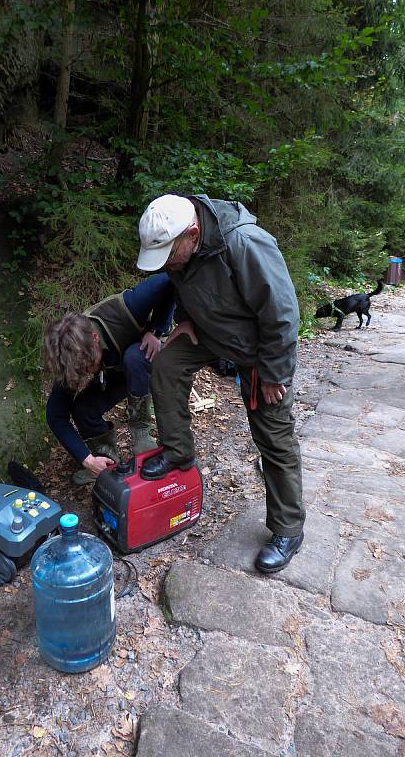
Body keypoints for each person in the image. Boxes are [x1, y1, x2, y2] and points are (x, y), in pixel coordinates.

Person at [136, 194, 304, 573]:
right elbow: (187, 284)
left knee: (273, 437)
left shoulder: (244, 243)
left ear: (193, 233)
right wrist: (186, 318)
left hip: (257, 348)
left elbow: (282, 313)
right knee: (166, 364)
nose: (166, 263)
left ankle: (288, 527)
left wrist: (274, 372)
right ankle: (178, 451)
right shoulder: (182, 244)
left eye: (169, 254)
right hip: (211, 333)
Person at [43, 274, 174, 485]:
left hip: (148, 359)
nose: (85, 371)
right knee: (83, 408)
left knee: (134, 356)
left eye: (87, 364)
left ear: (95, 338)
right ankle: (106, 460)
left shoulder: (129, 307)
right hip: (115, 371)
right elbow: (55, 415)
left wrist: (156, 329)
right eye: (81, 369)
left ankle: (141, 431)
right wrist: (87, 460)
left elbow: (169, 280)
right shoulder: (71, 357)